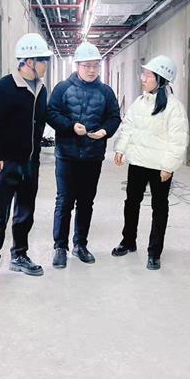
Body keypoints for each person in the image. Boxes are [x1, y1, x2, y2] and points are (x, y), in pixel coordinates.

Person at [0, 33, 52, 287]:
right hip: (6, 163)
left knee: (25, 212)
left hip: (31, 163)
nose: (46, 65)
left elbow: (40, 122)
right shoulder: (3, 87)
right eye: (43, 61)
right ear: (30, 62)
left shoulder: (41, 89)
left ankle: (19, 255)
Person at [47, 41, 121, 268]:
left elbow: (114, 117)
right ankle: (60, 247)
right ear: (77, 65)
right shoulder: (62, 88)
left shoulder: (105, 92)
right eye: (87, 65)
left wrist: (105, 131)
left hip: (92, 156)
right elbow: (51, 113)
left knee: (86, 202)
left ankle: (80, 244)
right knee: (64, 201)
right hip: (67, 155)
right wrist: (70, 126)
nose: (91, 70)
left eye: (95, 66)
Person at [111, 55, 189, 270]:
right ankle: (128, 240)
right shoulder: (140, 102)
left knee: (159, 207)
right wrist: (120, 148)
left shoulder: (173, 107)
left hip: (159, 167)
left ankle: (154, 252)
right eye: (143, 74)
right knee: (131, 202)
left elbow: (178, 140)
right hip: (137, 162)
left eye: (148, 75)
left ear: (161, 79)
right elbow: (128, 126)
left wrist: (169, 166)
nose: (143, 79)